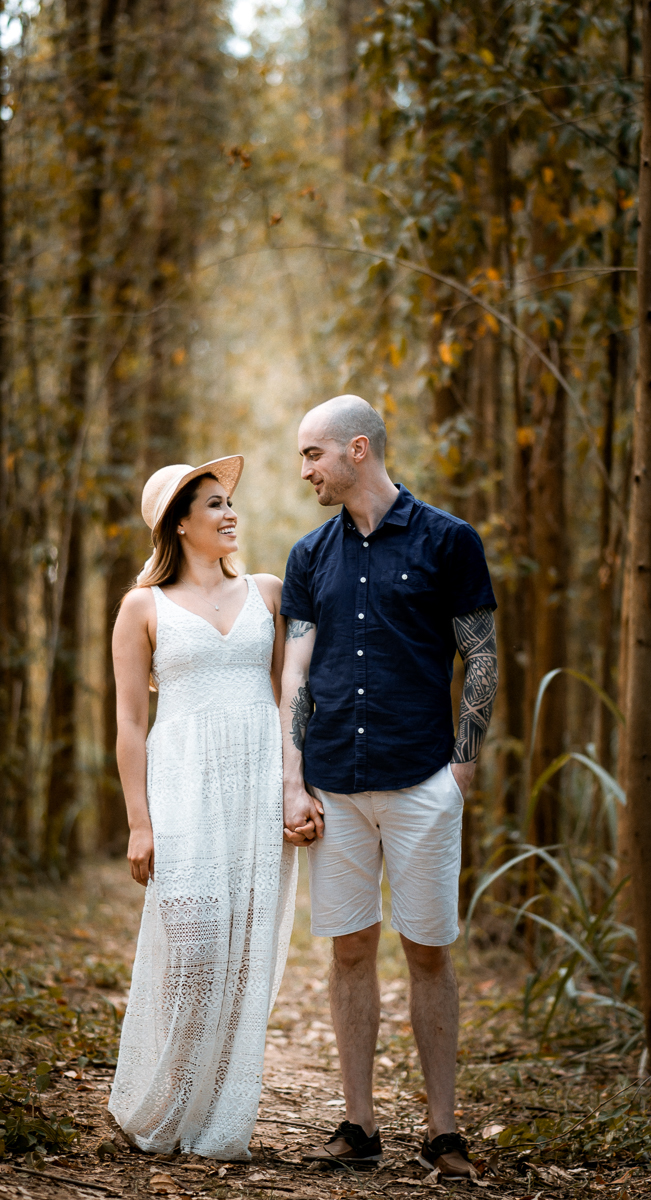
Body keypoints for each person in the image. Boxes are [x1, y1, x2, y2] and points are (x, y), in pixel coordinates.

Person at [279, 396, 499, 1180]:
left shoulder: (449, 541)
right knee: (349, 954)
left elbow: (480, 655)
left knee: (429, 953)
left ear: (358, 450)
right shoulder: (309, 557)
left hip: (421, 780)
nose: (305, 469)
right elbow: (296, 676)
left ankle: (444, 1133)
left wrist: (462, 764)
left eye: (313, 454)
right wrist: (291, 781)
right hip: (334, 785)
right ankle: (358, 1125)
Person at [108, 457, 298, 1161]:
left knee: (242, 954)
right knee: (192, 946)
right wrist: (139, 821)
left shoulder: (269, 592)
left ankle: (219, 1118)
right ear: (178, 523)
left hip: (254, 786)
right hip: (182, 786)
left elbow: (290, 697)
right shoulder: (142, 607)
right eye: (213, 505)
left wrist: (294, 787)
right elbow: (129, 723)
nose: (229, 514)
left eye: (229, 503)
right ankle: (159, 1104)